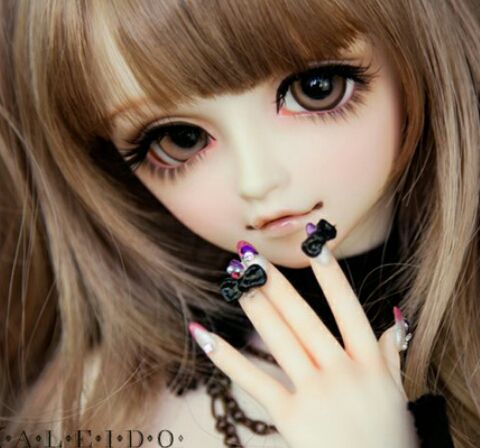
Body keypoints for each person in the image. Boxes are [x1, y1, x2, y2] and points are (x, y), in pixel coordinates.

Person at [0, 0, 478, 447]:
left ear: (419, 54)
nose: (257, 180)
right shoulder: (101, 408)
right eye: (180, 139)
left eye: (316, 88)